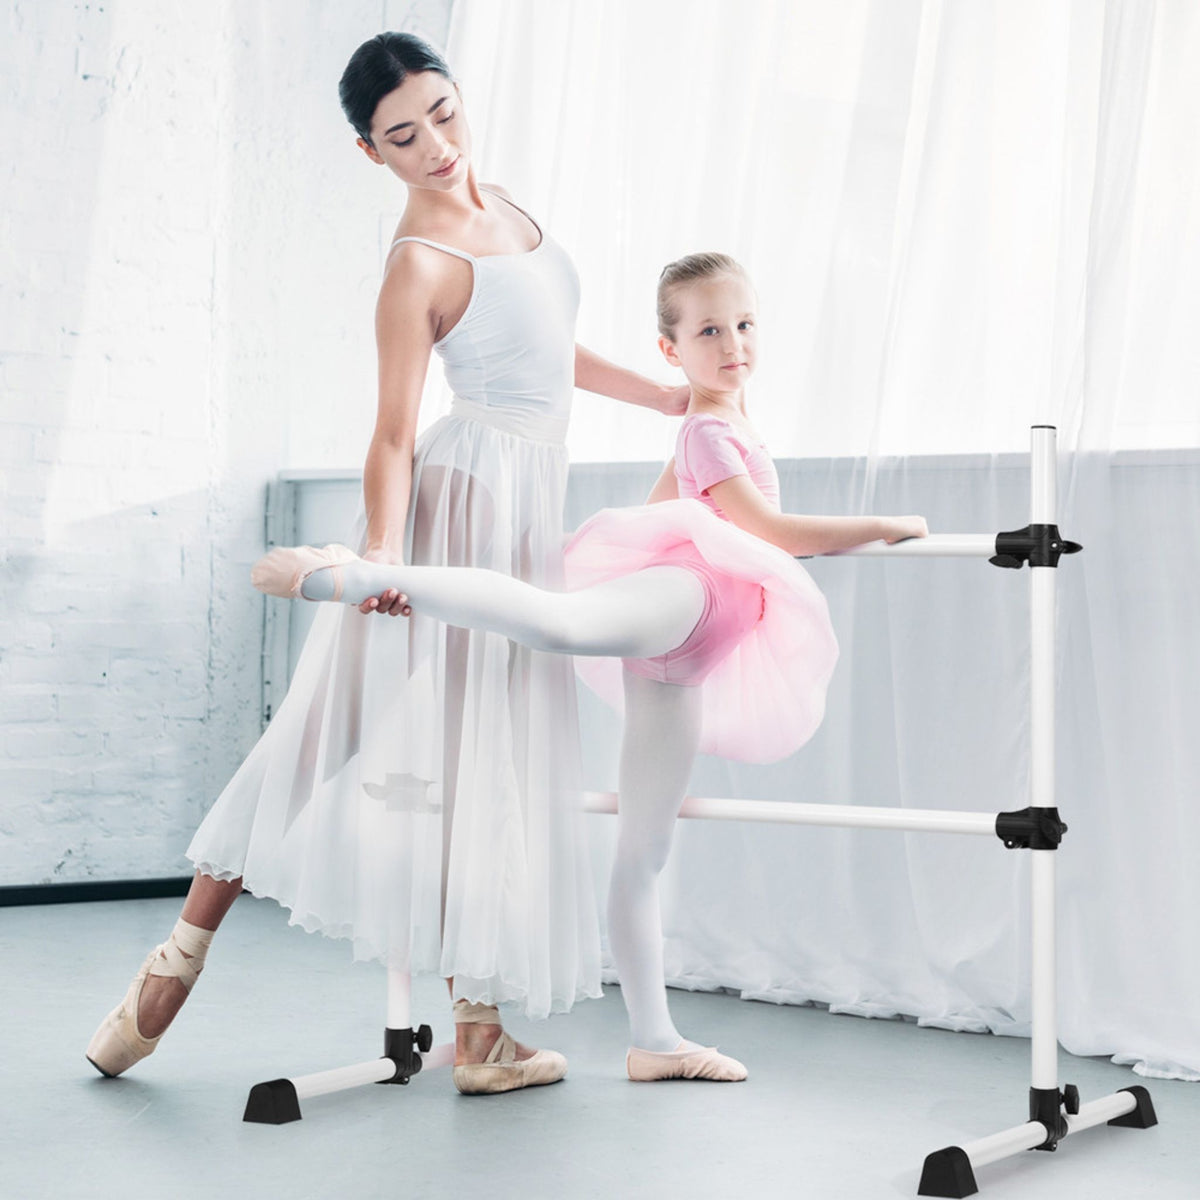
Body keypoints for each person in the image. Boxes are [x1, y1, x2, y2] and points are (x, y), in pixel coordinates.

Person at [86, 32, 688, 1096]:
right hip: (457, 513)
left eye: (443, 115)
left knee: (483, 762)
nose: (435, 147)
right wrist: (378, 558)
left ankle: (480, 1031)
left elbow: (553, 347)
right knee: (326, 736)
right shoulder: (418, 264)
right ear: (371, 153)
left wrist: (666, 398)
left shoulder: (510, 212)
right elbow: (395, 432)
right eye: (403, 137)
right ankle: (179, 954)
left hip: (519, 518)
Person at [250, 252, 928, 1081]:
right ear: (671, 350)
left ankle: (656, 1042)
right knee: (560, 626)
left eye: (743, 324)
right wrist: (883, 525)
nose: (732, 343)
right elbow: (772, 532)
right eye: (708, 329)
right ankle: (359, 575)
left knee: (642, 853)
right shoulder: (709, 428)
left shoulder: (729, 429)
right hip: (688, 602)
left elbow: (663, 516)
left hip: (691, 653)